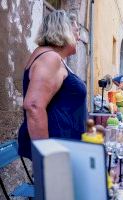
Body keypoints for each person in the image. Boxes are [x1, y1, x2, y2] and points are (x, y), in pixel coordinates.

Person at [18, 10, 86, 159]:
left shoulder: (49, 56)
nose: (79, 38)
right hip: (56, 149)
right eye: (76, 32)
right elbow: (34, 106)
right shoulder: (50, 58)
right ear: (64, 31)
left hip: (63, 145)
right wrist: (47, 157)